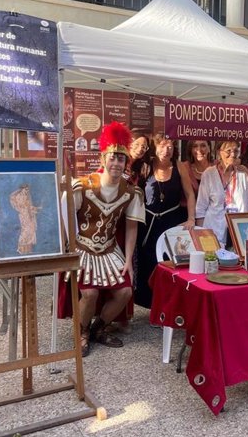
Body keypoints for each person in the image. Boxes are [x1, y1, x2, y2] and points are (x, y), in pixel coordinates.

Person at [58, 121, 145, 357]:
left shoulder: (131, 192)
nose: (116, 163)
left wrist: (128, 260)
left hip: (109, 249)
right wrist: (70, 249)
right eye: (113, 157)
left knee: (125, 292)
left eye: (121, 158)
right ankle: (82, 332)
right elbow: (65, 216)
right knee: (90, 293)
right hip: (83, 248)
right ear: (103, 159)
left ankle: (98, 328)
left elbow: (131, 228)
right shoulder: (83, 186)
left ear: (126, 162)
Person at [135, 135, 196, 308]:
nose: (167, 149)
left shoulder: (179, 166)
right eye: (162, 145)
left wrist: (191, 218)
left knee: (169, 263)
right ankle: (149, 304)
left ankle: (169, 305)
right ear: (155, 148)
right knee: (148, 262)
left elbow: (190, 194)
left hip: (172, 221)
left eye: (170, 146)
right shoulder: (145, 166)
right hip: (148, 223)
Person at [196, 140, 248, 245]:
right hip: (213, 230)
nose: (233, 154)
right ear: (219, 152)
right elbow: (200, 208)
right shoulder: (209, 174)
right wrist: (201, 234)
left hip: (237, 232)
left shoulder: (242, 175)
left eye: (236, 151)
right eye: (228, 151)